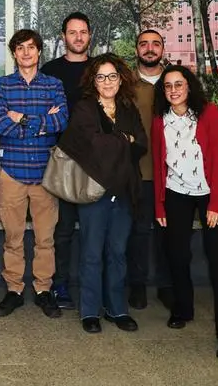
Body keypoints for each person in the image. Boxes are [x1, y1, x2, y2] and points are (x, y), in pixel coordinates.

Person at [152, 65, 218, 361]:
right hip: (175, 193)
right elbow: (158, 163)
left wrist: (216, 203)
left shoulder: (208, 113)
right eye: (168, 86)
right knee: (177, 254)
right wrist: (160, 204)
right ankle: (183, 308)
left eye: (179, 84)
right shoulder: (160, 118)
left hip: (210, 191)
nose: (173, 90)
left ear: (189, 86)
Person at [57, 53, 146, 334]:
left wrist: (115, 143)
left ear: (121, 79)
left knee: (117, 252)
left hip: (124, 190)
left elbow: (141, 144)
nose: (107, 82)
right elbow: (91, 145)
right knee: (92, 253)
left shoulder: (128, 108)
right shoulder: (85, 109)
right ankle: (90, 311)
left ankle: (117, 308)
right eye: (101, 77)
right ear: (93, 81)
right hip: (95, 191)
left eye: (112, 76)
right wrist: (124, 140)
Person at [0, 29, 68, 319]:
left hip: (45, 173)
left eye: (31, 47)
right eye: (20, 48)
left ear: (39, 52)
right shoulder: (3, 85)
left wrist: (21, 118)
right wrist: (41, 122)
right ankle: (14, 290)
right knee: (12, 237)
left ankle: (43, 290)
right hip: (11, 171)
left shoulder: (53, 84)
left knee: (45, 238)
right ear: (14, 53)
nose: (26, 52)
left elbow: (61, 122)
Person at [41, 11, 92, 310]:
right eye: (72, 32)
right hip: (61, 161)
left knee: (93, 230)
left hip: (96, 163)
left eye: (83, 32)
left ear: (89, 35)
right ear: (63, 37)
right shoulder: (50, 71)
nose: (78, 37)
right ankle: (60, 285)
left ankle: (92, 287)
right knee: (62, 230)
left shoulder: (100, 70)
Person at [129, 29, 173, 310]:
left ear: (162, 50)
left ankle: (167, 285)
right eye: (144, 44)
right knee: (139, 231)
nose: (149, 48)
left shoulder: (176, 81)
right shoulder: (126, 85)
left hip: (175, 174)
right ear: (137, 50)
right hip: (140, 172)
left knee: (168, 232)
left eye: (155, 44)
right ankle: (138, 284)